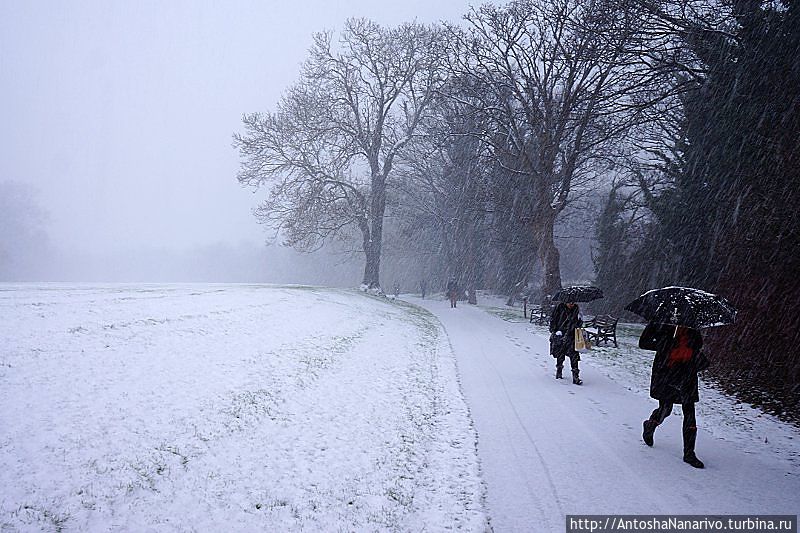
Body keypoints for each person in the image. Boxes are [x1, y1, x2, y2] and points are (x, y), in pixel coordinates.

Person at [639, 323, 709, 468]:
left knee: (689, 412)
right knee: (666, 408)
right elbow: (644, 342)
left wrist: (689, 348)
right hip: (667, 371)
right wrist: (667, 344)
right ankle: (650, 425)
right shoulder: (661, 320)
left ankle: (689, 453)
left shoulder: (691, 323)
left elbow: (698, 344)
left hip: (687, 373)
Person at [549, 301, 583, 384]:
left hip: (572, 336)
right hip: (561, 335)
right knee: (560, 354)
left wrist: (579, 320)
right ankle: (559, 371)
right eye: (569, 302)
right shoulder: (559, 308)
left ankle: (576, 377)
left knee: (574, 356)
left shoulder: (576, 310)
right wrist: (554, 330)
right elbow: (553, 320)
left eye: (573, 302)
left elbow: (579, 324)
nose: (571, 304)